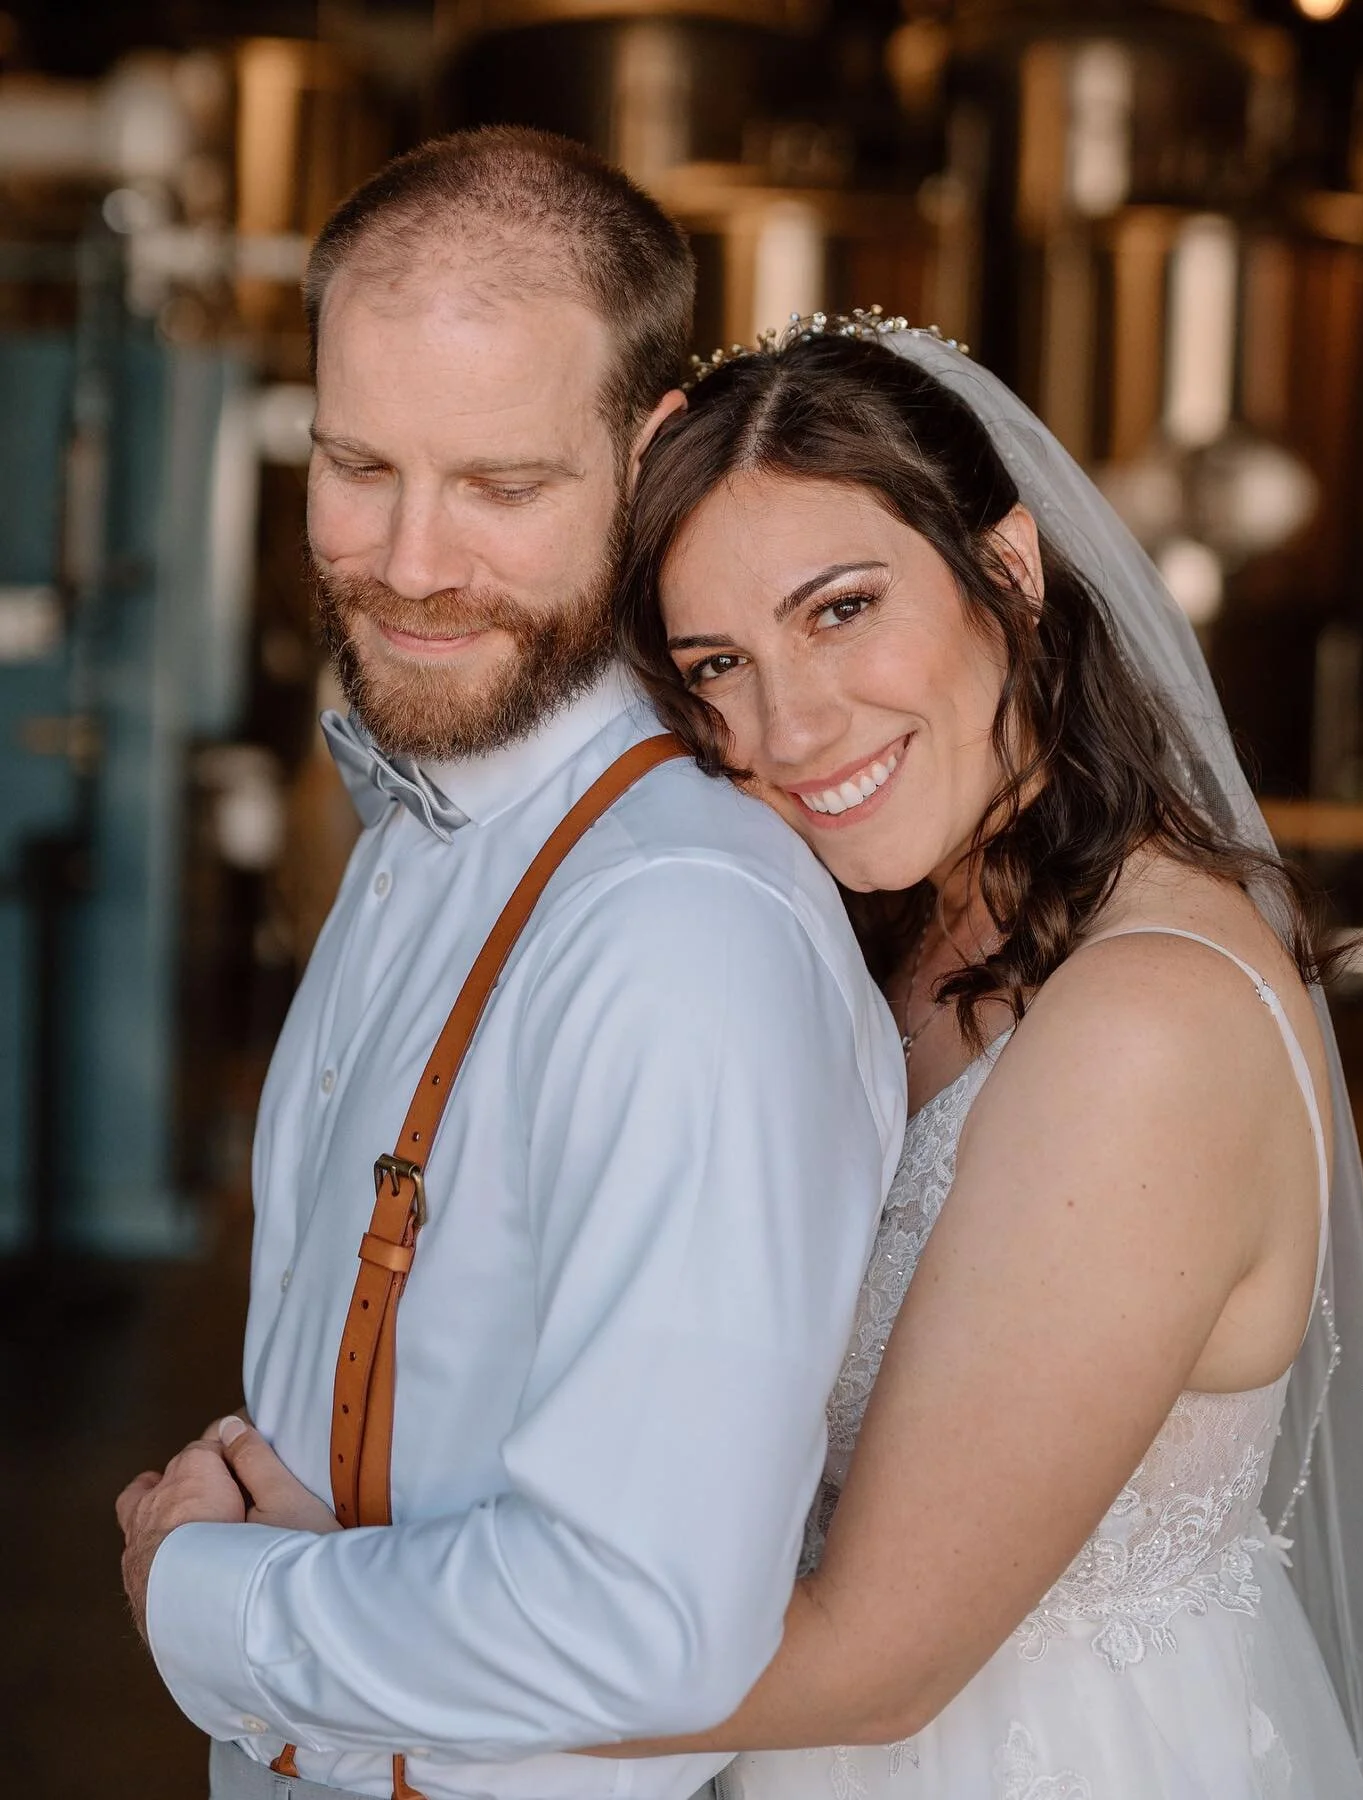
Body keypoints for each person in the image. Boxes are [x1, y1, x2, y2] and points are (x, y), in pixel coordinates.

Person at [113, 139, 908, 1800]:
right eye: (358, 465)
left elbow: (648, 1624)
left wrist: (206, 1596)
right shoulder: (422, 814)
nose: (410, 563)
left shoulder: (679, 936)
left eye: (501, 486)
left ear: (649, 455)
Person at [602, 313, 1363, 1798]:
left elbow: (876, 1667)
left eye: (841, 609)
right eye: (718, 663)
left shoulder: (1146, 1026)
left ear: (1009, 570)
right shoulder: (885, 936)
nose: (789, 724)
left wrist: (326, 1637)